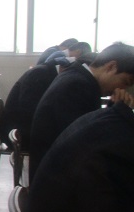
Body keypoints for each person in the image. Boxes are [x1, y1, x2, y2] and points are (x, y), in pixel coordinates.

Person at [29, 42, 134, 181]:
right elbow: (87, 142)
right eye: (125, 82)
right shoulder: (78, 86)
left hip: (52, 168)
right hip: (55, 178)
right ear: (111, 67)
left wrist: (113, 108)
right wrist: (119, 113)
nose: (123, 89)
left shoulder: (77, 75)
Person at [0, 55, 71, 152]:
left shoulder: (46, 71)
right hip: (16, 128)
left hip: (20, 123)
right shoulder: (40, 73)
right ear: (62, 67)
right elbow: (28, 107)